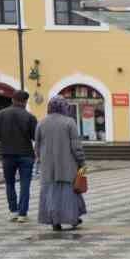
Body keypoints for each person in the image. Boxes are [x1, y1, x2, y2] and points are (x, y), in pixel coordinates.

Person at [35, 96, 88, 232]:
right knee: (69, 193)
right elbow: (76, 146)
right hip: (67, 166)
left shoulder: (41, 123)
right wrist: (82, 162)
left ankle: (54, 222)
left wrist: (41, 160)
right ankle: (73, 219)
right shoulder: (69, 122)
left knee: (51, 194)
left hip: (48, 167)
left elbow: (37, 146)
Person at [0, 89, 38, 224]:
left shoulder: (0, 114)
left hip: (7, 153)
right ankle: (22, 214)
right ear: (25, 102)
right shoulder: (30, 117)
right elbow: (35, 137)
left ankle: (13, 211)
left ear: (12, 100)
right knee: (25, 184)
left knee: (9, 183)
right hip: (26, 154)